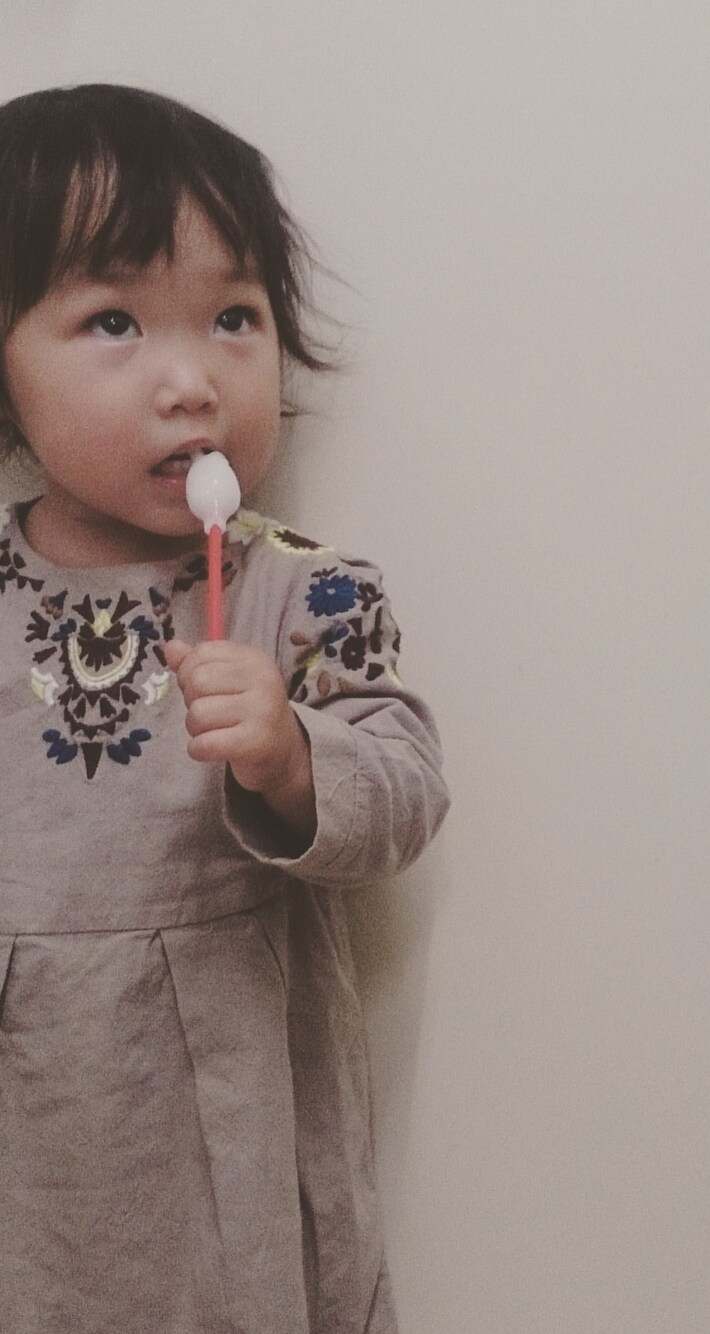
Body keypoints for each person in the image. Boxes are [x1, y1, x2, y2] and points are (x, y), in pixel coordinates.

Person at [0, 83, 449, 1334]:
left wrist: (294, 755)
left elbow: (405, 790)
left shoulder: (306, 588)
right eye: (113, 321)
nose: (193, 381)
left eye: (235, 318)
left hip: (224, 1103)